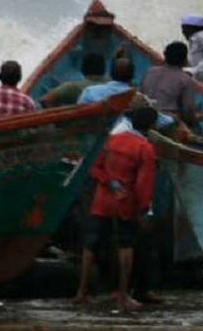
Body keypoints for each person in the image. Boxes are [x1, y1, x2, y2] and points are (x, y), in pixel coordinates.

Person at [73, 106, 159, 311]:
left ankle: (81, 292)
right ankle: (122, 295)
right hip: (126, 201)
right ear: (151, 126)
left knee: (91, 244)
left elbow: (94, 167)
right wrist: (144, 209)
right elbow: (144, 183)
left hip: (102, 199)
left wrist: (109, 182)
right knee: (125, 245)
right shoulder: (145, 147)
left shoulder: (111, 140)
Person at [79, 58, 176, 132]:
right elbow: (164, 122)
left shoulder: (89, 91)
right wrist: (173, 118)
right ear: (132, 77)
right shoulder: (139, 99)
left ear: (110, 74)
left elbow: (78, 115)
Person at [140, 42, 201, 125]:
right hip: (164, 122)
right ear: (184, 60)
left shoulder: (150, 71)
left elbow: (141, 93)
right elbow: (188, 114)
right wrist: (198, 117)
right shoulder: (185, 79)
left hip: (143, 115)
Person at [39, 53, 108, 108]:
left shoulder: (72, 87)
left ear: (83, 70)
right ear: (104, 69)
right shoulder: (112, 86)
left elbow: (44, 100)